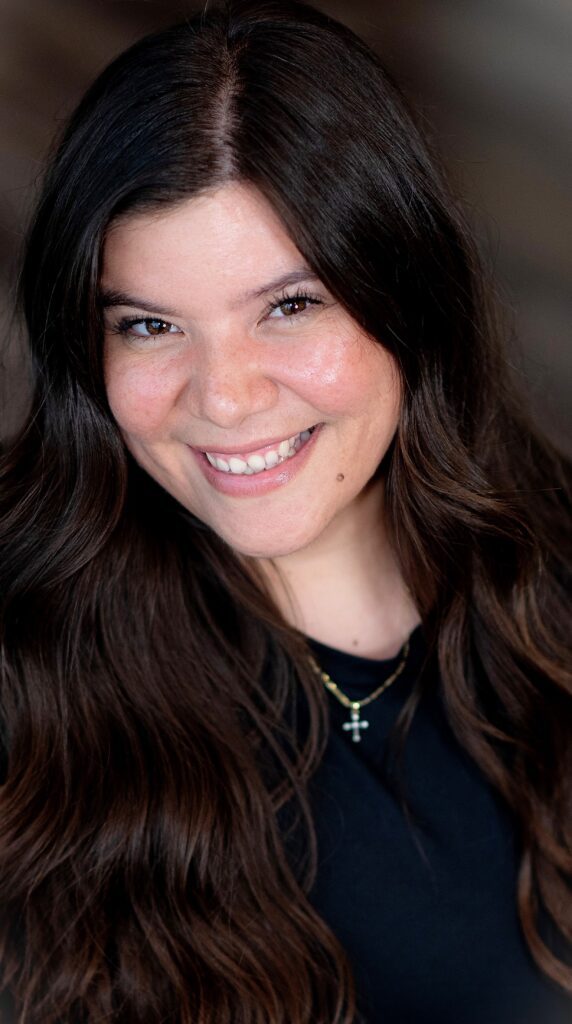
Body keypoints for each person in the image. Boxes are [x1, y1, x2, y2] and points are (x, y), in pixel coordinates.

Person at [0, 1, 570, 1021]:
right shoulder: (23, 656)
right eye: (150, 324)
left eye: (289, 305)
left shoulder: (554, 582)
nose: (222, 397)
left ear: (405, 293)